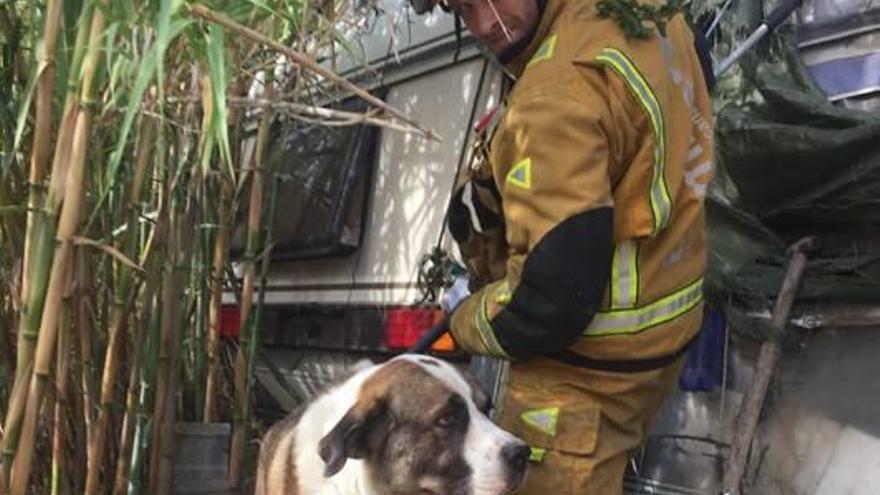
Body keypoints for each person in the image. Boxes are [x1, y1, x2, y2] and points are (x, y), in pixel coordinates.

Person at [415, 0, 715, 492]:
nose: (484, 25)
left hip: (582, 378)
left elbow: (546, 306)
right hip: (661, 342)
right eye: (462, 9)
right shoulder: (651, 12)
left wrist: (463, 320)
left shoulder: (554, 94)